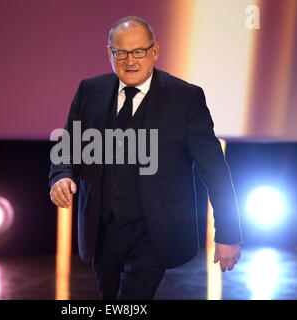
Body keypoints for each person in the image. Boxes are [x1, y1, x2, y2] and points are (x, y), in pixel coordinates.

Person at [49, 16, 242, 300]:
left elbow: (214, 169)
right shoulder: (89, 91)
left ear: (154, 51)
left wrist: (227, 232)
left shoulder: (184, 98)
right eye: (121, 52)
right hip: (102, 227)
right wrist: (61, 175)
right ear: (109, 53)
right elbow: (66, 147)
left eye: (139, 51)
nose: (130, 61)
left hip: (156, 230)